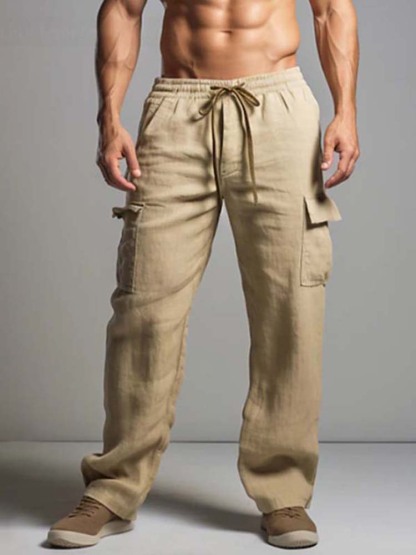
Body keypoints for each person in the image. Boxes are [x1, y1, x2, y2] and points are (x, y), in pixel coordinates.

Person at [47, 0, 359, 549]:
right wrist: (109, 117)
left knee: (291, 306)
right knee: (143, 306)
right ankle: (113, 489)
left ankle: (284, 493)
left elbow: (332, 9)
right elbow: (122, 9)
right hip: (178, 110)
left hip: (278, 106)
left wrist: (346, 110)